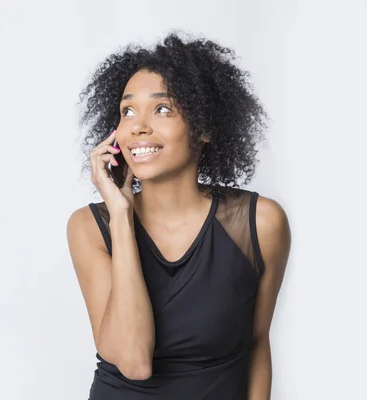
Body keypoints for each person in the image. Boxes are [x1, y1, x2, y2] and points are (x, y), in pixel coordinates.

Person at [66, 31, 291, 400]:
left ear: (202, 127)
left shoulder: (259, 225)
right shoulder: (91, 228)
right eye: (127, 111)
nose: (139, 126)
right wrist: (121, 216)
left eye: (163, 109)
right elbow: (134, 362)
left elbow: (256, 344)